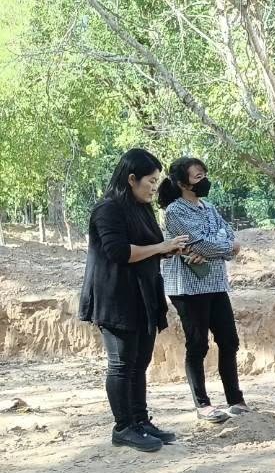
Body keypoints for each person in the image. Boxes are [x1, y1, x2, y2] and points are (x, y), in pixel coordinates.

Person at [79, 149, 191, 452]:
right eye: (150, 181)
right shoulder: (108, 209)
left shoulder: (142, 208)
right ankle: (123, 427)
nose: (155, 187)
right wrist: (160, 247)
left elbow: (150, 246)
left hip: (143, 295)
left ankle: (140, 421)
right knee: (121, 364)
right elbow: (119, 252)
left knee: (140, 362)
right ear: (131, 179)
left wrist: (169, 249)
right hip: (115, 297)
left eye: (156, 181)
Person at [159, 156, 246, 423]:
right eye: (198, 177)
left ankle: (235, 399)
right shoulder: (175, 212)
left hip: (215, 283)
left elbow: (229, 237)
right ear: (182, 182)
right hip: (187, 287)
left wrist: (215, 248)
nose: (204, 181)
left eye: (204, 175)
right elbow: (201, 244)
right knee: (197, 344)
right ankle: (203, 404)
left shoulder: (209, 207)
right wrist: (218, 247)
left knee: (229, 340)